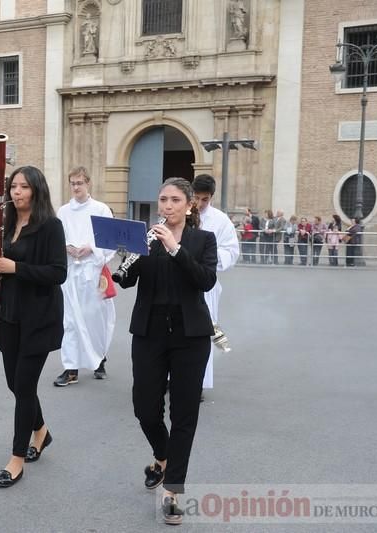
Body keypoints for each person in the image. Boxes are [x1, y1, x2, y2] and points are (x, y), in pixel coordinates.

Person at [116, 177, 217, 525]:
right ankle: (162, 455)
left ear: (189, 205)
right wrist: (123, 258)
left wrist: (175, 248)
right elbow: (126, 279)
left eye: (175, 200)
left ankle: (173, 489)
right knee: (144, 407)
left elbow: (205, 280)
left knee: (185, 415)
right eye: (163, 200)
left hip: (190, 336)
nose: (167, 206)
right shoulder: (148, 239)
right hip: (149, 332)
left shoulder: (203, 239)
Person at [0, 165, 67, 488]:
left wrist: (16, 267)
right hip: (9, 315)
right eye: (13, 186)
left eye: (23, 187)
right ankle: (42, 432)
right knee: (15, 384)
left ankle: (16, 458)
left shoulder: (51, 227)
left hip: (39, 318)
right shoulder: (4, 224)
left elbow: (58, 273)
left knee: (24, 387)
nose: (16, 192)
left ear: (36, 191)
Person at [54, 166, 115, 386]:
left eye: (80, 183)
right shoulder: (63, 212)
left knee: (94, 318)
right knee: (70, 320)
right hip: (71, 273)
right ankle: (71, 368)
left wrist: (91, 248)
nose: (76, 187)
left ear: (88, 183)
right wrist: (66, 247)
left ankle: (98, 359)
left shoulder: (101, 209)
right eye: (73, 183)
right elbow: (56, 238)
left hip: (93, 271)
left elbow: (110, 241)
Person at [192, 174, 239, 396]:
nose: (200, 204)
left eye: (205, 199)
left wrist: (207, 254)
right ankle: (173, 377)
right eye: (196, 198)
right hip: (178, 281)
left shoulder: (221, 221)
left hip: (205, 284)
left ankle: (198, 381)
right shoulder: (180, 212)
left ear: (211, 197)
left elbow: (231, 252)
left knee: (202, 333)